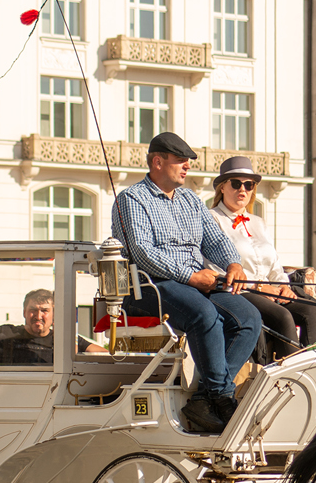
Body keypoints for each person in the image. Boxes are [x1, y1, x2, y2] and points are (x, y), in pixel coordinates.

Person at [112, 132, 262, 434]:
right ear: (157, 162)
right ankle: (220, 395)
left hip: (195, 284)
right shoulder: (132, 199)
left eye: (187, 162)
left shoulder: (190, 200)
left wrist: (233, 263)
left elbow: (216, 240)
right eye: (180, 161)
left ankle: (206, 396)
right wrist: (192, 277)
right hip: (151, 286)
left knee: (248, 317)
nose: (186, 167)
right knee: (204, 315)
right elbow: (143, 253)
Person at [207, 157, 316, 361]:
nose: (243, 190)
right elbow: (215, 270)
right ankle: (290, 374)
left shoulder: (258, 222)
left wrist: (284, 287)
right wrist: (261, 289)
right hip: (238, 292)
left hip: (270, 289)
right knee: (282, 316)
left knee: (310, 309)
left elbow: (274, 264)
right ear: (222, 187)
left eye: (249, 185)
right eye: (236, 183)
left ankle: (314, 366)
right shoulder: (212, 219)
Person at [0, 289, 108, 365]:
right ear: (24, 312)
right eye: (33, 310)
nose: (38, 316)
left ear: (54, 314)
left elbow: (105, 356)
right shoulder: (4, 333)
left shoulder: (65, 339)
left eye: (44, 311)